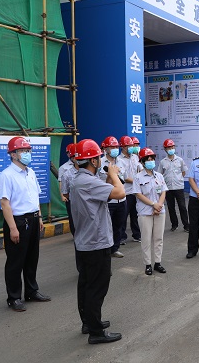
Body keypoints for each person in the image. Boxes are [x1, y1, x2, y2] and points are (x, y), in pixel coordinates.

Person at [70, 139, 124, 344]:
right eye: (98, 157)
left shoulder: (80, 179)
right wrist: (114, 174)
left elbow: (104, 191)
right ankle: (96, 332)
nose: (101, 160)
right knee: (97, 286)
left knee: (86, 284)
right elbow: (119, 193)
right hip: (96, 241)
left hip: (85, 241)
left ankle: (89, 322)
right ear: (93, 161)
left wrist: (109, 178)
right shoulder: (88, 182)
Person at [0, 136, 51, 312]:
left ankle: (31, 291)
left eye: (28, 150)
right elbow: (5, 203)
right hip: (18, 221)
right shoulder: (7, 175)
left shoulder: (31, 172)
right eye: (23, 151)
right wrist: (13, 228)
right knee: (15, 261)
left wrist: (40, 217)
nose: (27, 153)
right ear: (13, 154)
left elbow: (35, 197)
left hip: (33, 219)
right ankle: (14, 297)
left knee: (32, 258)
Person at [133, 148, 168, 275]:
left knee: (159, 238)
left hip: (159, 211)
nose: (150, 161)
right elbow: (138, 194)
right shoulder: (138, 177)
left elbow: (163, 191)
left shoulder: (159, 175)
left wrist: (159, 206)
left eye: (152, 159)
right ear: (142, 162)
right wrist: (153, 204)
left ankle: (158, 263)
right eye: (147, 159)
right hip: (145, 212)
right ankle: (148, 264)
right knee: (146, 239)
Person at [98, 136, 127, 258]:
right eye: (112, 147)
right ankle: (105, 249)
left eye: (116, 147)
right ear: (105, 149)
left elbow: (124, 179)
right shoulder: (100, 162)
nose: (115, 149)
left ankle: (115, 248)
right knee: (106, 226)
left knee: (118, 225)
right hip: (108, 201)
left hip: (121, 199)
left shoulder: (122, 162)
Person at [158, 139, 189, 232]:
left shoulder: (180, 160)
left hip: (178, 187)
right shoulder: (163, 162)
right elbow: (160, 174)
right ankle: (174, 224)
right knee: (171, 207)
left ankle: (186, 225)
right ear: (165, 149)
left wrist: (178, 179)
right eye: (168, 147)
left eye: (172, 147)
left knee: (182, 206)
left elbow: (183, 172)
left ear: (174, 147)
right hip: (168, 188)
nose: (171, 149)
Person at [118, 135, 142, 242]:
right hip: (126, 191)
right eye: (129, 146)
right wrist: (137, 181)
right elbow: (124, 178)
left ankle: (137, 235)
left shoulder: (135, 157)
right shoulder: (119, 160)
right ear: (123, 147)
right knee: (123, 215)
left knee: (135, 214)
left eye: (132, 145)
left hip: (136, 191)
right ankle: (122, 236)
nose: (132, 148)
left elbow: (140, 170)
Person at [60, 143, 78, 236]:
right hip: (71, 197)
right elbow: (61, 182)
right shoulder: (64, 168)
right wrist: (62, 195)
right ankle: (75, 235)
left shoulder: (85, 167)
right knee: (72, 217)